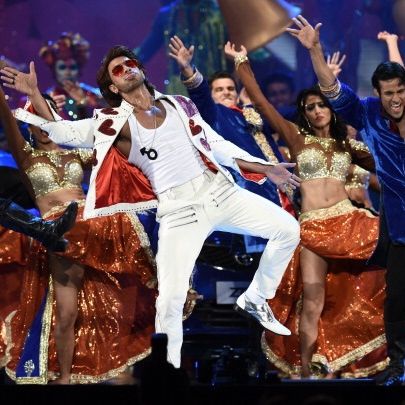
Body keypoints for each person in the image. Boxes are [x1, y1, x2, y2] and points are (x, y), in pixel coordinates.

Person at [5, 45, 301, 369]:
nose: (127, 69)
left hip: (221, 193)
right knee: (170, 300)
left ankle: (256, 297)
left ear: (141, 69)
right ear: (113, 87)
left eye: (130, 63)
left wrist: (265, 167)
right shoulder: (112, 123)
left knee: (289, 229)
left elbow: (216, 144)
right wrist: (33, 94)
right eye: (118, 70)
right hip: (180, 212)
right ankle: (168, 373)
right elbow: (64, 132)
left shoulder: (179, 104)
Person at [224, 40, 387, 378]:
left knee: (382, 274)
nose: (316, 110)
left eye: (321, 104)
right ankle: (306, 374)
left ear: (332, 108)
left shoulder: (350, 145)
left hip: (348, 223)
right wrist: (241, 63)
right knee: (312, 300)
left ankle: (365, 354)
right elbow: (262, 103)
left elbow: (390, 166)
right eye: (309, 106)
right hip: (312, 228)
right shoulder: (297, 138)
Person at [0, 83, 157, 384]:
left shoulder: (77, 155)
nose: (41, 126)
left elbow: (112, 142)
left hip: (94, 230)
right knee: (67, 314)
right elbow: (7, 118)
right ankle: (64, 377)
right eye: (33, 120)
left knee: (110, 304)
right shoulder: (27, 158)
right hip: (60, 236)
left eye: (45, 117)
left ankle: (120, 369)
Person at [287, 14, 405, 385]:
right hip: (399, 229)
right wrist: (315, 50)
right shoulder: (369, 114)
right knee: (397, 301)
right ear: (379, 95)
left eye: (401, 91)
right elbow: (332, 88)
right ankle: (398, 367)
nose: (396, 99)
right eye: (388, 93)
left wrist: (393, 46)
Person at [168, 35, 292, 255]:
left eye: (230, 88)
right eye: (219, 89)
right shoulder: (213, 115)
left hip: (280, 193)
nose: (226, 92)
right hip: (249, 195)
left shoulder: (250, 116)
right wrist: (188, 70)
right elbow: (201, 96)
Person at [37, 32, 105, 120]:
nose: (68, 72)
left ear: (78, 69)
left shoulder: (94, 95)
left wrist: (84, 102)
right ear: (54, 70)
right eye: (62, 67)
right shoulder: (47, 100)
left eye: (72, 67)